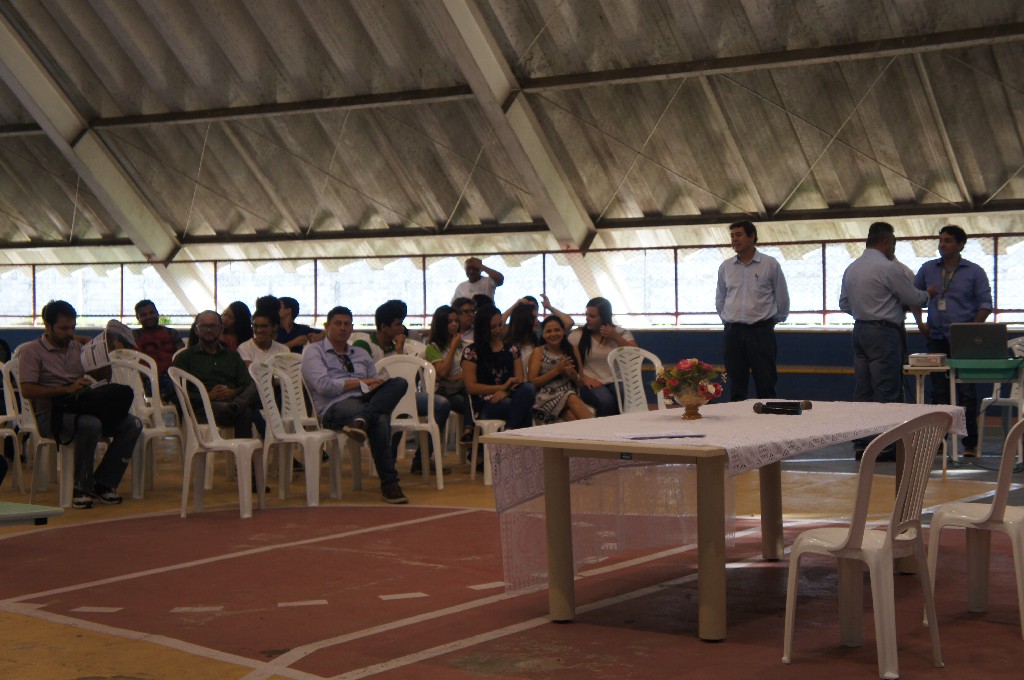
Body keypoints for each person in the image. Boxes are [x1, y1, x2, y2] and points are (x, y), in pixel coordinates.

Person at [18, 300, 142, 508]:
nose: (69, 333)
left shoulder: (78, 348)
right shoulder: (32, 351)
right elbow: (27, 390)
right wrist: (66, 389)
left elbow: (103, 379)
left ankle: (104, 483)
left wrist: (102, 355)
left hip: (81, 407)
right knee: (90, 424)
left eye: (72, 328)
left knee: (133, 424)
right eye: (63, 328)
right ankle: (80, 486)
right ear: (48, 326)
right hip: (51, 415)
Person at [301, 306, 409, 504]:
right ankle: (389, 484)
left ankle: (362, 420)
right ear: (327, 326)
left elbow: (374, 381)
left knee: (400, 383)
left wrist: (373, 384)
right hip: (334, 406)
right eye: (337, 324)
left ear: (352, 328)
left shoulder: (360, 353)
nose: (343, 328)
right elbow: (324, 386)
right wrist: (361, 382)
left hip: (365, 400)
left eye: (347, 324)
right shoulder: (314, 352)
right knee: (380, 419)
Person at [839, 222, 929, 458]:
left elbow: (844, 304)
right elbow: (913, 298)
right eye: (893, 246)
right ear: (887, 242)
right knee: (886, 389)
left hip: (860, 330)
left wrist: (865, 310)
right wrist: (929, 294)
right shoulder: (889, 268)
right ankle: (886, 445)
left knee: (864, 389)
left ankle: (862, 443)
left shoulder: (852, 268)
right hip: (884, 332)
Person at [914, 225, 993, 455]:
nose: (942, 244)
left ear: (960, 245)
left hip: (964, 340)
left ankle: (969, 443)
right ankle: (939, 442)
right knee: (939, 391)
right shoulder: (928, 269)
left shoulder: (974, 272)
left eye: (948, 240)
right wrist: (920, 323)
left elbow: (985, 304)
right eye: (940, 240)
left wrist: (971, 331)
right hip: (936, 337)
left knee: (966, 391)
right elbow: (913, 297)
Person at [354, 301, 452, 475]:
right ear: (383, 327)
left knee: (441, 404)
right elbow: (359, 378)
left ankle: (421, 459)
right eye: (398, 324)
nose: (402, 328)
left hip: (401, 395)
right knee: (396, 407)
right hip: (374, 397)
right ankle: (388, 461)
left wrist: (399, 350)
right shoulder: (365, 345)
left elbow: (407, 380)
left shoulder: (398, 346)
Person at [715, 220, 790, 401]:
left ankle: (768, 418)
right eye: (732, 236)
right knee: (736, 385)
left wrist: (771, 321)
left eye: (738, 235)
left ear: (752, 236)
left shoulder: (770, 264)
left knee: (766, 383)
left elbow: (782, 298)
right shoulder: (726, 267)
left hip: (761, 331)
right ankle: (738, 419)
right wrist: (728, 320)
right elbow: (720, 299)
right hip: (733, 332)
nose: (734, 239)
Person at [172, 310, 260, 439]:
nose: (209, 330)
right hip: (202, 408)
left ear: (221, 329)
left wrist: (233, 392)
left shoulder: (232, 356)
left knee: (256, 385)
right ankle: (243, 451)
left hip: (231, 402)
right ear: (196, 330)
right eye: (204, 326)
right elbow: (175, 392)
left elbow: (246, 384)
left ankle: (235, 407)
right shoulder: (185, 358)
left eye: (213, 326)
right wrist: (207, 396)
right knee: (245, 412)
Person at [462, 305, 537, 430]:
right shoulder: (472, 351)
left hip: (509, 396)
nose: (498, 330)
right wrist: (501, 387)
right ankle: (512, 435)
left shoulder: (512, 349)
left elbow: (519, 380)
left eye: (500, 325)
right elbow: (471, 387)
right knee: (526, 409)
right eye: (493, 327)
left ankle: (510, 431)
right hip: (485, 402)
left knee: (528, 388)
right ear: (483, 328)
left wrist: (505, 392)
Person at [567, 297, 636, 417]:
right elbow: (569, 363)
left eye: (592, 316)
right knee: (606, 401)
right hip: (589, 381)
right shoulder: (577, 335)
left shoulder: (620, 333)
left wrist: (615, 337)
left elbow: (635, 354)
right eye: (586, 315)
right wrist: (584, 378)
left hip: (616, 380)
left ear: (604, 317)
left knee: (626, 396)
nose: (587, 319)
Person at [424, 305, 475, 444]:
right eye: (449, 322)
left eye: (456, 321)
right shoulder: (433, 348)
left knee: (472, 396)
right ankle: (470, 435)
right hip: (444, 391)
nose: (454, 324)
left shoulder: (466, 345)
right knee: (472, 402)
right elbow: (442, 373)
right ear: (441, 324)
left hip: (462, 388)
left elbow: (471, 372)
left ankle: (470, 435)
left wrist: (457, 378)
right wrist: (453, 346)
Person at [529, 316, 591, 424]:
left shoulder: (572, 350)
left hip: (569, 396)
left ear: (563, 331)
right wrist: (556, 371)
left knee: (572, 417)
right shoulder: (539, 351)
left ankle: (593, 432)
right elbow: (532, 382)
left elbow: (581, 383)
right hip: (546, 397)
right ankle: (598, 430)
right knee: (570, 397)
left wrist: (573, 375)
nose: (553, 334)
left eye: (557, 330)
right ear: (543, 334)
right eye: (548, 331)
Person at [132, 299, 185, 402]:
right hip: (147, 379)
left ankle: (165, 399)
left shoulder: (172, 333)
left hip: (172, 376)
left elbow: (182, 356)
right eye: (143, 315)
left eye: (152, 313)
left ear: (157, 313)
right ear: (138, 318)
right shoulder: (133, 336)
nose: (149, 317)